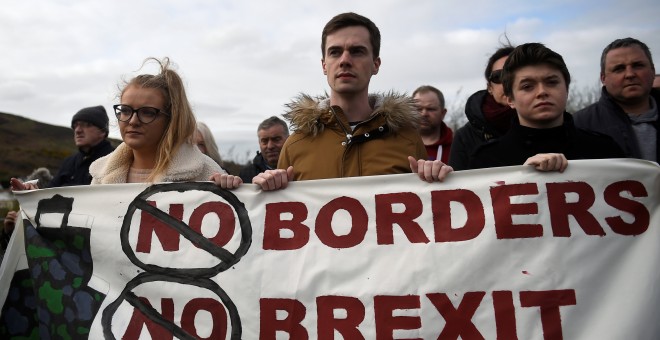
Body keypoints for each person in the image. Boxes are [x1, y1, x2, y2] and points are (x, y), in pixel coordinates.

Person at [213, 12, 451, 190]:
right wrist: (262, 190)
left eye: (357, 51)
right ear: (324, 65)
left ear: (376, 64)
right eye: (335, 52)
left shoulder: (407, 139)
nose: (345, 60)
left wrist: (440, 180)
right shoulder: (295, 146)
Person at [468, 43, 624, 170]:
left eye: (552, 82)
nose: (542, 92)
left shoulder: (604, 151)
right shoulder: (486, 160)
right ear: (510, 99)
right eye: (527, 86)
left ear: (567, 89)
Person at [88, 57, 226, 184]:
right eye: (125, 111)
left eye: (147, 112)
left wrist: (231, 188)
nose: (133, 121)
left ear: (171, 119)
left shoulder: (205, 172)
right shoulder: (101, 175)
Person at [573, 38, 658, 162]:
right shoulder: (579, 125)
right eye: (619, 69)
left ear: (653, 71)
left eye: (638, 66)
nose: (630, 74)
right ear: (603, 78)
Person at [448, 44, 517, 170]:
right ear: (490, 87)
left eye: (515, 75)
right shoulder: (465, 136)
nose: (508, 82)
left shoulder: (555, 123)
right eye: (499, 76)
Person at [238, 116, 289, 183]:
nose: (270, 146)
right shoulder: (246, 175)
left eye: (276, 139)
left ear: (289, 140)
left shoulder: (301, 169)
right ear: (259, 143)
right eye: (264, 141)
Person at [412, 85, 453, 163]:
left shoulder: (457, 146)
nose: (424, 114)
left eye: (431, 109)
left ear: (443, 113)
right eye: (418, 109)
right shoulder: (398, 145)